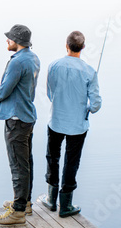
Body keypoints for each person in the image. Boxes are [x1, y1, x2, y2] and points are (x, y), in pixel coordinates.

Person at [0, 24, 40, 226]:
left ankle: (18, 211)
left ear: (16, 41)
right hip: (27, 116)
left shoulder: (17, 62)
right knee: (26, 163)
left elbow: (5, 90)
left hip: (16, 120)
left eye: (10, 38)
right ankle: (25, 202)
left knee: (17, 165)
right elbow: (18, 88)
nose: (7, 41)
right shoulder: (33, 58)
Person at [38, 30, 102, 218]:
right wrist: (88, 109)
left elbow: (50, 94)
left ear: (66, 46)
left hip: (56, 121)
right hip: (77, 126)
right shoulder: (90, 71)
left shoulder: (54, 65)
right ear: (82, 48)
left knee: (53, 157)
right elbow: (96, 103)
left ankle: (50, 200)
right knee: (71, 162)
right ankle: (65, 205)